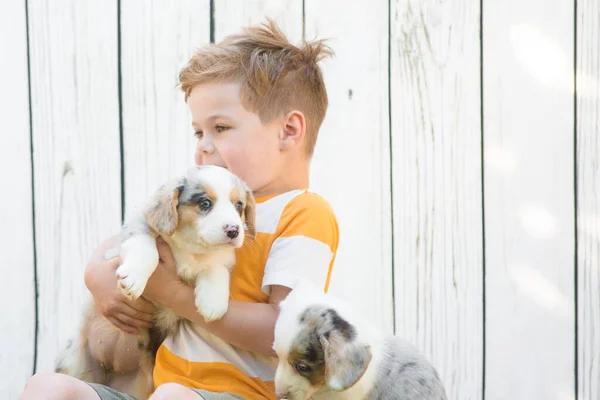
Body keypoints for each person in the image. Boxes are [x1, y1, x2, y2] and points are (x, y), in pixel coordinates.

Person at [20, 19, 339, 400]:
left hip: (240, 393)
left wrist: (172, 294)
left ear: (288, 130)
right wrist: (96, 273)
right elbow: (135, 234)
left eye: (220, 127)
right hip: (157, 387)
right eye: (198, 132)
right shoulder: (199, 204)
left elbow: (281, 331)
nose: (204, 146)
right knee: (47, 388)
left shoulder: (304, 213)